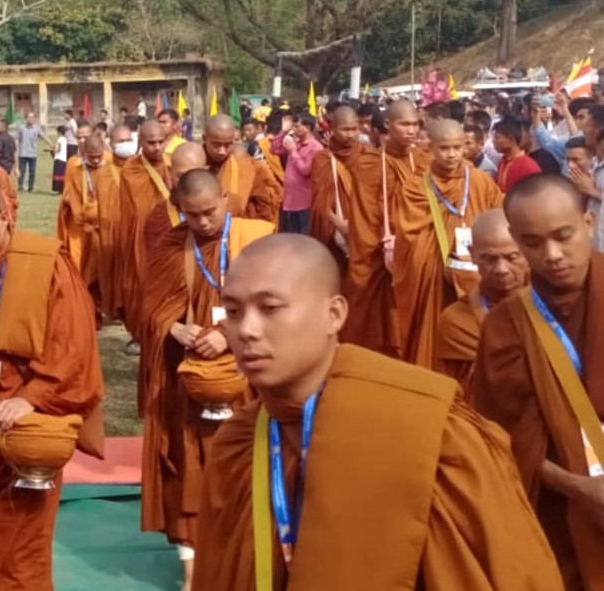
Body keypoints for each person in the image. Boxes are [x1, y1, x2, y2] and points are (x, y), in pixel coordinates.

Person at [191, 233, 562, 589]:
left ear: (334, 314)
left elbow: (502, 572)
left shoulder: (428, 427)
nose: (247, 330)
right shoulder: (236, 446)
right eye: (234, 312)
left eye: (270, 308)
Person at [0, 182, 104, 591]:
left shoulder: (47, 266)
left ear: (5, 219)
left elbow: (74, 353)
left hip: (27, 437)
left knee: (17, 560)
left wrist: (31, 398)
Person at [140, 170, 274, 588]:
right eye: (191, 215)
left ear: (226, 199)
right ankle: (192, 567)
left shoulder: (257, 239)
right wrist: (171, 326)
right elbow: (148, 306)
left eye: (210, 212)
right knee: (188, 464)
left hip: (247, 373)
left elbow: (277, 302)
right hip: (188, 374)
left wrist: (227, 336)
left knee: (248, 461)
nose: (202, 223)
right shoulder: (171, 243)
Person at [475, 174, 604, 589]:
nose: (552, 255)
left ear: (588, 222)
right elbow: (507, 442)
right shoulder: (505, 325)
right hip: (565, 513)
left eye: (563, 235)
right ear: (515, 238)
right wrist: (579, 488)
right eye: (531, 243)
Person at [392, 119, 504, 368]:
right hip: (434, 276)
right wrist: (441, 261)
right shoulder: (416, 185)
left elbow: (497, 218)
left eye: (458, 147)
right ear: (429, 148)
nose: (452, 154)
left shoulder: (480, 180)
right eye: (444, 148)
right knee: (433, 331)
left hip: (476, 271)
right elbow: (410, 236)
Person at [344, 101, 431, 356]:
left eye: (415, 124)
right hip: (381, 254)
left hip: (415, 250)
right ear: (388, 125)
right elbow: (364, 216)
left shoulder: (425, 161)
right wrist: (382, 251)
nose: (411, 130)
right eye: (404, 124)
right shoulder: (369, 164)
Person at [433, 209, 527, 396]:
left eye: (512, 257)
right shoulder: (456, 321)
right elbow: (449, 393)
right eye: (489, 259)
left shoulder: (552, 307)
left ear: (527, 251)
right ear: (473, 255)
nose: (501, 269)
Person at [118, 120, 174, 355]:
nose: (157, 147)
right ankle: (140, 334)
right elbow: (135, 211)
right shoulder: (131, 170)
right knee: (140, 285)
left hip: (170, 236)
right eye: (151, 143)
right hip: (140, 237)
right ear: (140, 142)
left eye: (161, 142)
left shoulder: (172, 165)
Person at [56, 134, 122, 320]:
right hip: (87, 234)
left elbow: (117, 202)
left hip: (109, 233)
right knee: (88, 275)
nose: (96, 160)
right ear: (84, 153)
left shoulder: (112, 172)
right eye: (91, 156)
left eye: (99, 155)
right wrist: (94, 211)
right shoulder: (77, 173)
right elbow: (77, 207)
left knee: (110, 273)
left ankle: (112, 308)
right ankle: (92, 312)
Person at [308, 105, 362, 269]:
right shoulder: (322, 159)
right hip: (332, 229)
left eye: (354, 129)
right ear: (332, 128)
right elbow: (319, 200)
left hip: (363, 229)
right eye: (345, 129)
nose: (351, 134)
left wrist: (357, 225)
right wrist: (340, 225)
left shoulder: (367, 155)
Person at [202, 114, 282, 223]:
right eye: (216, 145)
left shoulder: (253, 168)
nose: (222, 151)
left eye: (228, 145)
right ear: (204, 139)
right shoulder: (193, 162)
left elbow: (267, 209)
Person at [279, 113, 323, 233]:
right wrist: (283, 132)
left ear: (307, 127)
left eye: (297, 126)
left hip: (305, 201)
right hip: (291, 199)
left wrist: (293, 152)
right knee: (294, 238)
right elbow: (274, 149)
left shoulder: (316, 147)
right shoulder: (294, 143)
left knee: (305, 237)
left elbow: (306, 170)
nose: (294, 129)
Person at [494, 117, 542, 192]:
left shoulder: (528, 167)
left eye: (497, 137)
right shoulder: (503, 162)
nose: (493, 141)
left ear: (511, 139)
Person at [14, 112, 46, 192]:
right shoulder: (21, 128)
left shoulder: (36, 128)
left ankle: (30, 187)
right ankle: (20, 186)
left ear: (34, 119)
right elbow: (16, 139)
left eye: (32, 117)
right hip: (23, 153)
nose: (30, 119)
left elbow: (43, 137)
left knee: (32, 172)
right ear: (26, 118)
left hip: (33, 154)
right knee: (22, 171)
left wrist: (51, 144)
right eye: (29, 117)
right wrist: (16, 149)